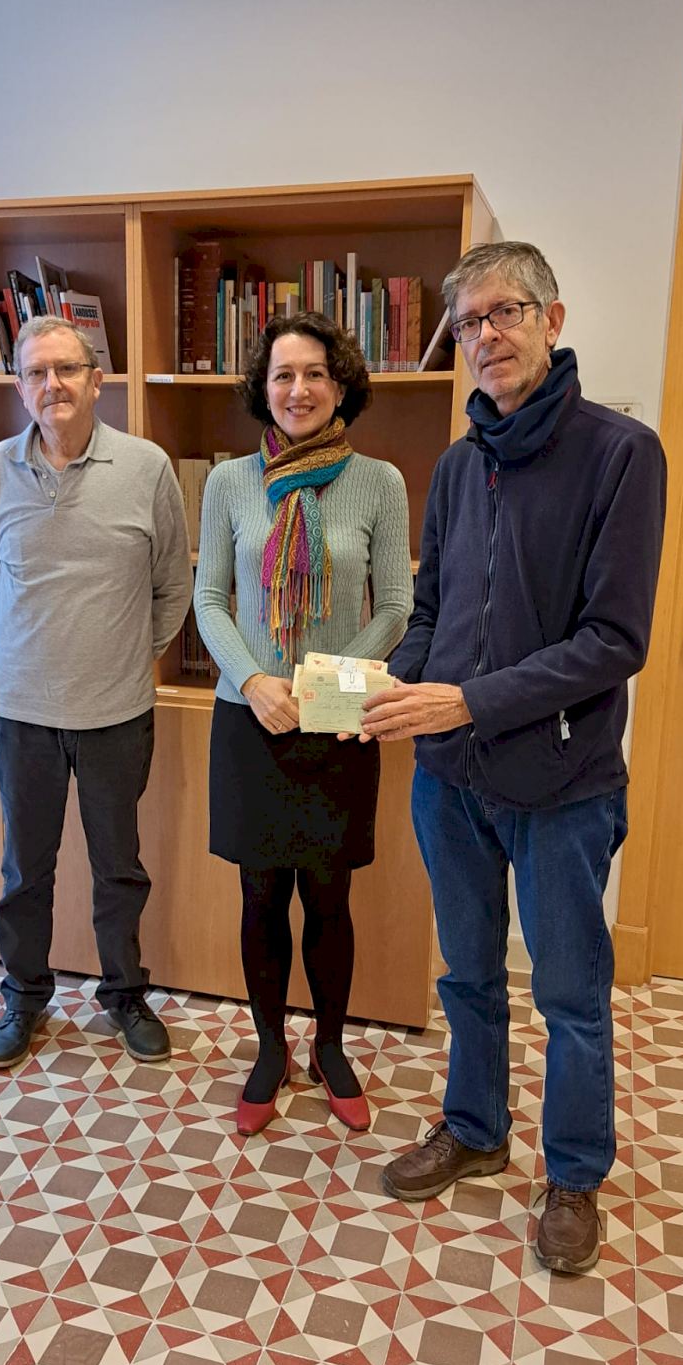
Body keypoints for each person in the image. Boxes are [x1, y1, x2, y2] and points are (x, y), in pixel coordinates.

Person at [362, 243, 666, 1274]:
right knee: (468, 974)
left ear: (552, 319)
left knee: (571, 995)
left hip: (563, 784)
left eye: (507, 312)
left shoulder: (623, 454)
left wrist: (472, 699)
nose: (486, 334)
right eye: (469, 321)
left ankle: (574, 1175)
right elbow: (434, 609)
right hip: (448, 777)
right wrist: (390, 686)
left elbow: (614, 640)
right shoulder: (459, 464)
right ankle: (475, 1128)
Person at [194, 312, 413, 1137]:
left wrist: (322, 686)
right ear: (264, 387)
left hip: (337, 719)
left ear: (340, 383)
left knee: (329, 896)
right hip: (248, 718)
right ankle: (268, 1049)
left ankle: (329, 1047)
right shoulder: (228, 483)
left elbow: (395, 606)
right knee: (260, 896)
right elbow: (209, 597)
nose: (299, 389)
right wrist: (254, 680)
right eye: (283, 374)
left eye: (315, 373)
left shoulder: (380, 482)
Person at [0, 315, 193, 1070]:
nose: (52, 385)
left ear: (98, 381)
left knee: (118, 870)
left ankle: (124, 995)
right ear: (20, 387)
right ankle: (23, 999)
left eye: (66, 369)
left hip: (116, 713)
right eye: (36, 373)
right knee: (23, 873)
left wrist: (123, 657)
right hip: (20, 713)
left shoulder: (146, 467)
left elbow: (172, 587)